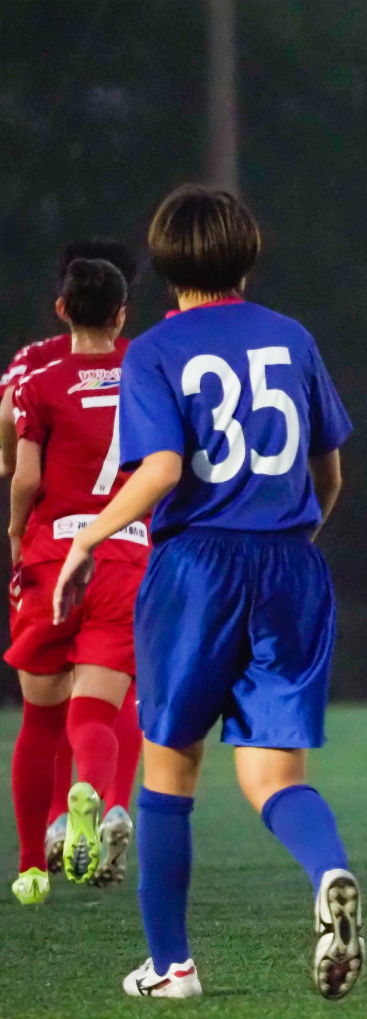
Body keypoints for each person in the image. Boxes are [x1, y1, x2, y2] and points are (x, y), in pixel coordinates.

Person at [51, 184, 363, 999]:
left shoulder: (154, 350)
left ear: (160, 264)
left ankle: (172, 965)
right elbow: (328, 471)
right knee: (275, 775)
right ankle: (328, 869)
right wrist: (294, 535)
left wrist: (88, 534)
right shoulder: (293, 337)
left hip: (196, 567)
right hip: (290, 563)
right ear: (249, 255)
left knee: (169, 773)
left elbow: (162, 469)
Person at [7, 257, 147, 904]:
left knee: (40, 715)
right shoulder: (147, 374)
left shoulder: (39, 380)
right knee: (98, 703)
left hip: (53, 555)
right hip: (123, 555)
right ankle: (92, 791)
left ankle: (34, 866)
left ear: (61, 309)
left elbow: (27, 478)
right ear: (121, 314)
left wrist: (16, 531)